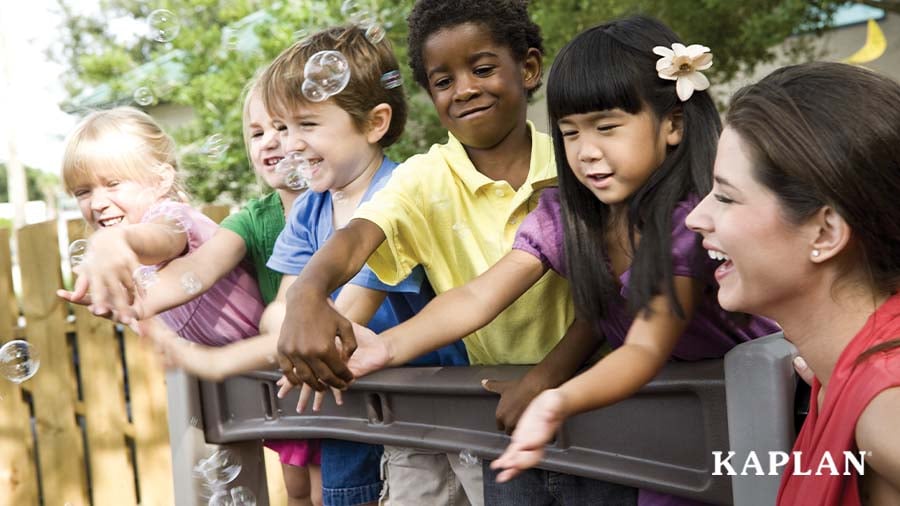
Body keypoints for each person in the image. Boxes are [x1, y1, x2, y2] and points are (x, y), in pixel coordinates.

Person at [342, 16, 779, 506]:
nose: (586, 152)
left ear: (673, 124)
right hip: (666, 436)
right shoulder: (566, 215)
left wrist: (555, 396)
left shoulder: (687, 222)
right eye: (570, 133)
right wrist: (384, 347)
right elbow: (478, 295)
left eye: (607, 128)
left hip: (756, 418)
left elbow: (643, 349)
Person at [275, 1, 639, 505]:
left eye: (483, 68)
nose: (465, 88)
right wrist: (307, 294)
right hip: (497, 414)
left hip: (610, 411)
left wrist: (547, 377)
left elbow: (609, 298)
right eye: (442, 81)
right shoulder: (423, 179)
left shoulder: (577, 159)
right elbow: (359, 235)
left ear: (529, 68)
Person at [255, 26, 469, 506]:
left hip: (436, 402)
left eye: (307, 126)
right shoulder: (310, 208)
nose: (289, 144)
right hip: (355, 396)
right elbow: (282, 306)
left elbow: (353, 311)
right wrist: (291, 328)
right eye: (283, 127)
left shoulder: (397, 194)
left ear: (375, 123)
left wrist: (299, 337)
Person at [685, 62, 900, 506]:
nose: (695, 218)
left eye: (725, 196)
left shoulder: (886, 412)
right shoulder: (838, 369)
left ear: (825, 233)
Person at [123, 76, 324, 506]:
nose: (269, 141)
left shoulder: (342, 207)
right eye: (256, 133)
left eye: (283, 128)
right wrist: (131, 300)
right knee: (298, 491)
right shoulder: (254, 217)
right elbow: (200, 266)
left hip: (337, 372)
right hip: (287, 375)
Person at [58, 106, 264, 346]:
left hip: (277, 355)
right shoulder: (133, 262)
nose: (97, 203)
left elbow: (162, 237)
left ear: (161, 180)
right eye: (83, 192)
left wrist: (119, 239)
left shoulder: (172, 216)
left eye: (113, 183)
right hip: (240, 365)